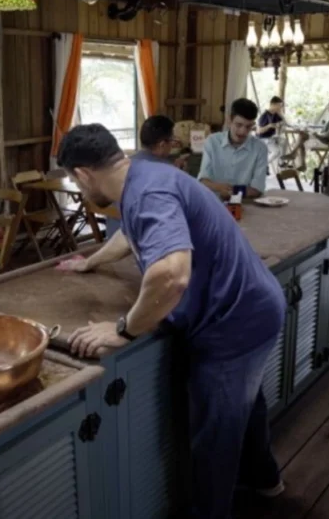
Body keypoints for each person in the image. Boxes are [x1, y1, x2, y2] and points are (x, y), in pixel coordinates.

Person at [57, 124, 286, 519]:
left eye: (75, 184)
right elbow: (132, 235)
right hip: (255, 307)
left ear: (82, 174)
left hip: (233, 323)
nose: (80, 192)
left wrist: (122, 330)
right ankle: (266, 481)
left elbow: (172, 275)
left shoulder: (147, 192)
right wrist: (90, 262)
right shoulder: (145, 174)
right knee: (244, 408)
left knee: (215, 438)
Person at [198, 98, 269, 199]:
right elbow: (203, 180)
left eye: (248, 127)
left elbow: (257, 189)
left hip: (245, 206)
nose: (243, 132)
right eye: (238, 125)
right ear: (229, 121)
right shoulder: (212, 142)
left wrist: (233, 192)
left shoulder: (260, 148)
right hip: (213, 204)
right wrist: (218, 187)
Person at [257, 96, 285, 168]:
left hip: (271, 137)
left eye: (281, 106)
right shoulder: (264, 116)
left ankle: (281, 162)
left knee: (284, 140)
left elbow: (285, 122)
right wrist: (269, 126)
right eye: (279, 106)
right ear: (273, 104)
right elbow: (259, 131)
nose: (280, 108)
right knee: (276, 151)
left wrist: (281, 117)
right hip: (263, 139)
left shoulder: (275, 115)